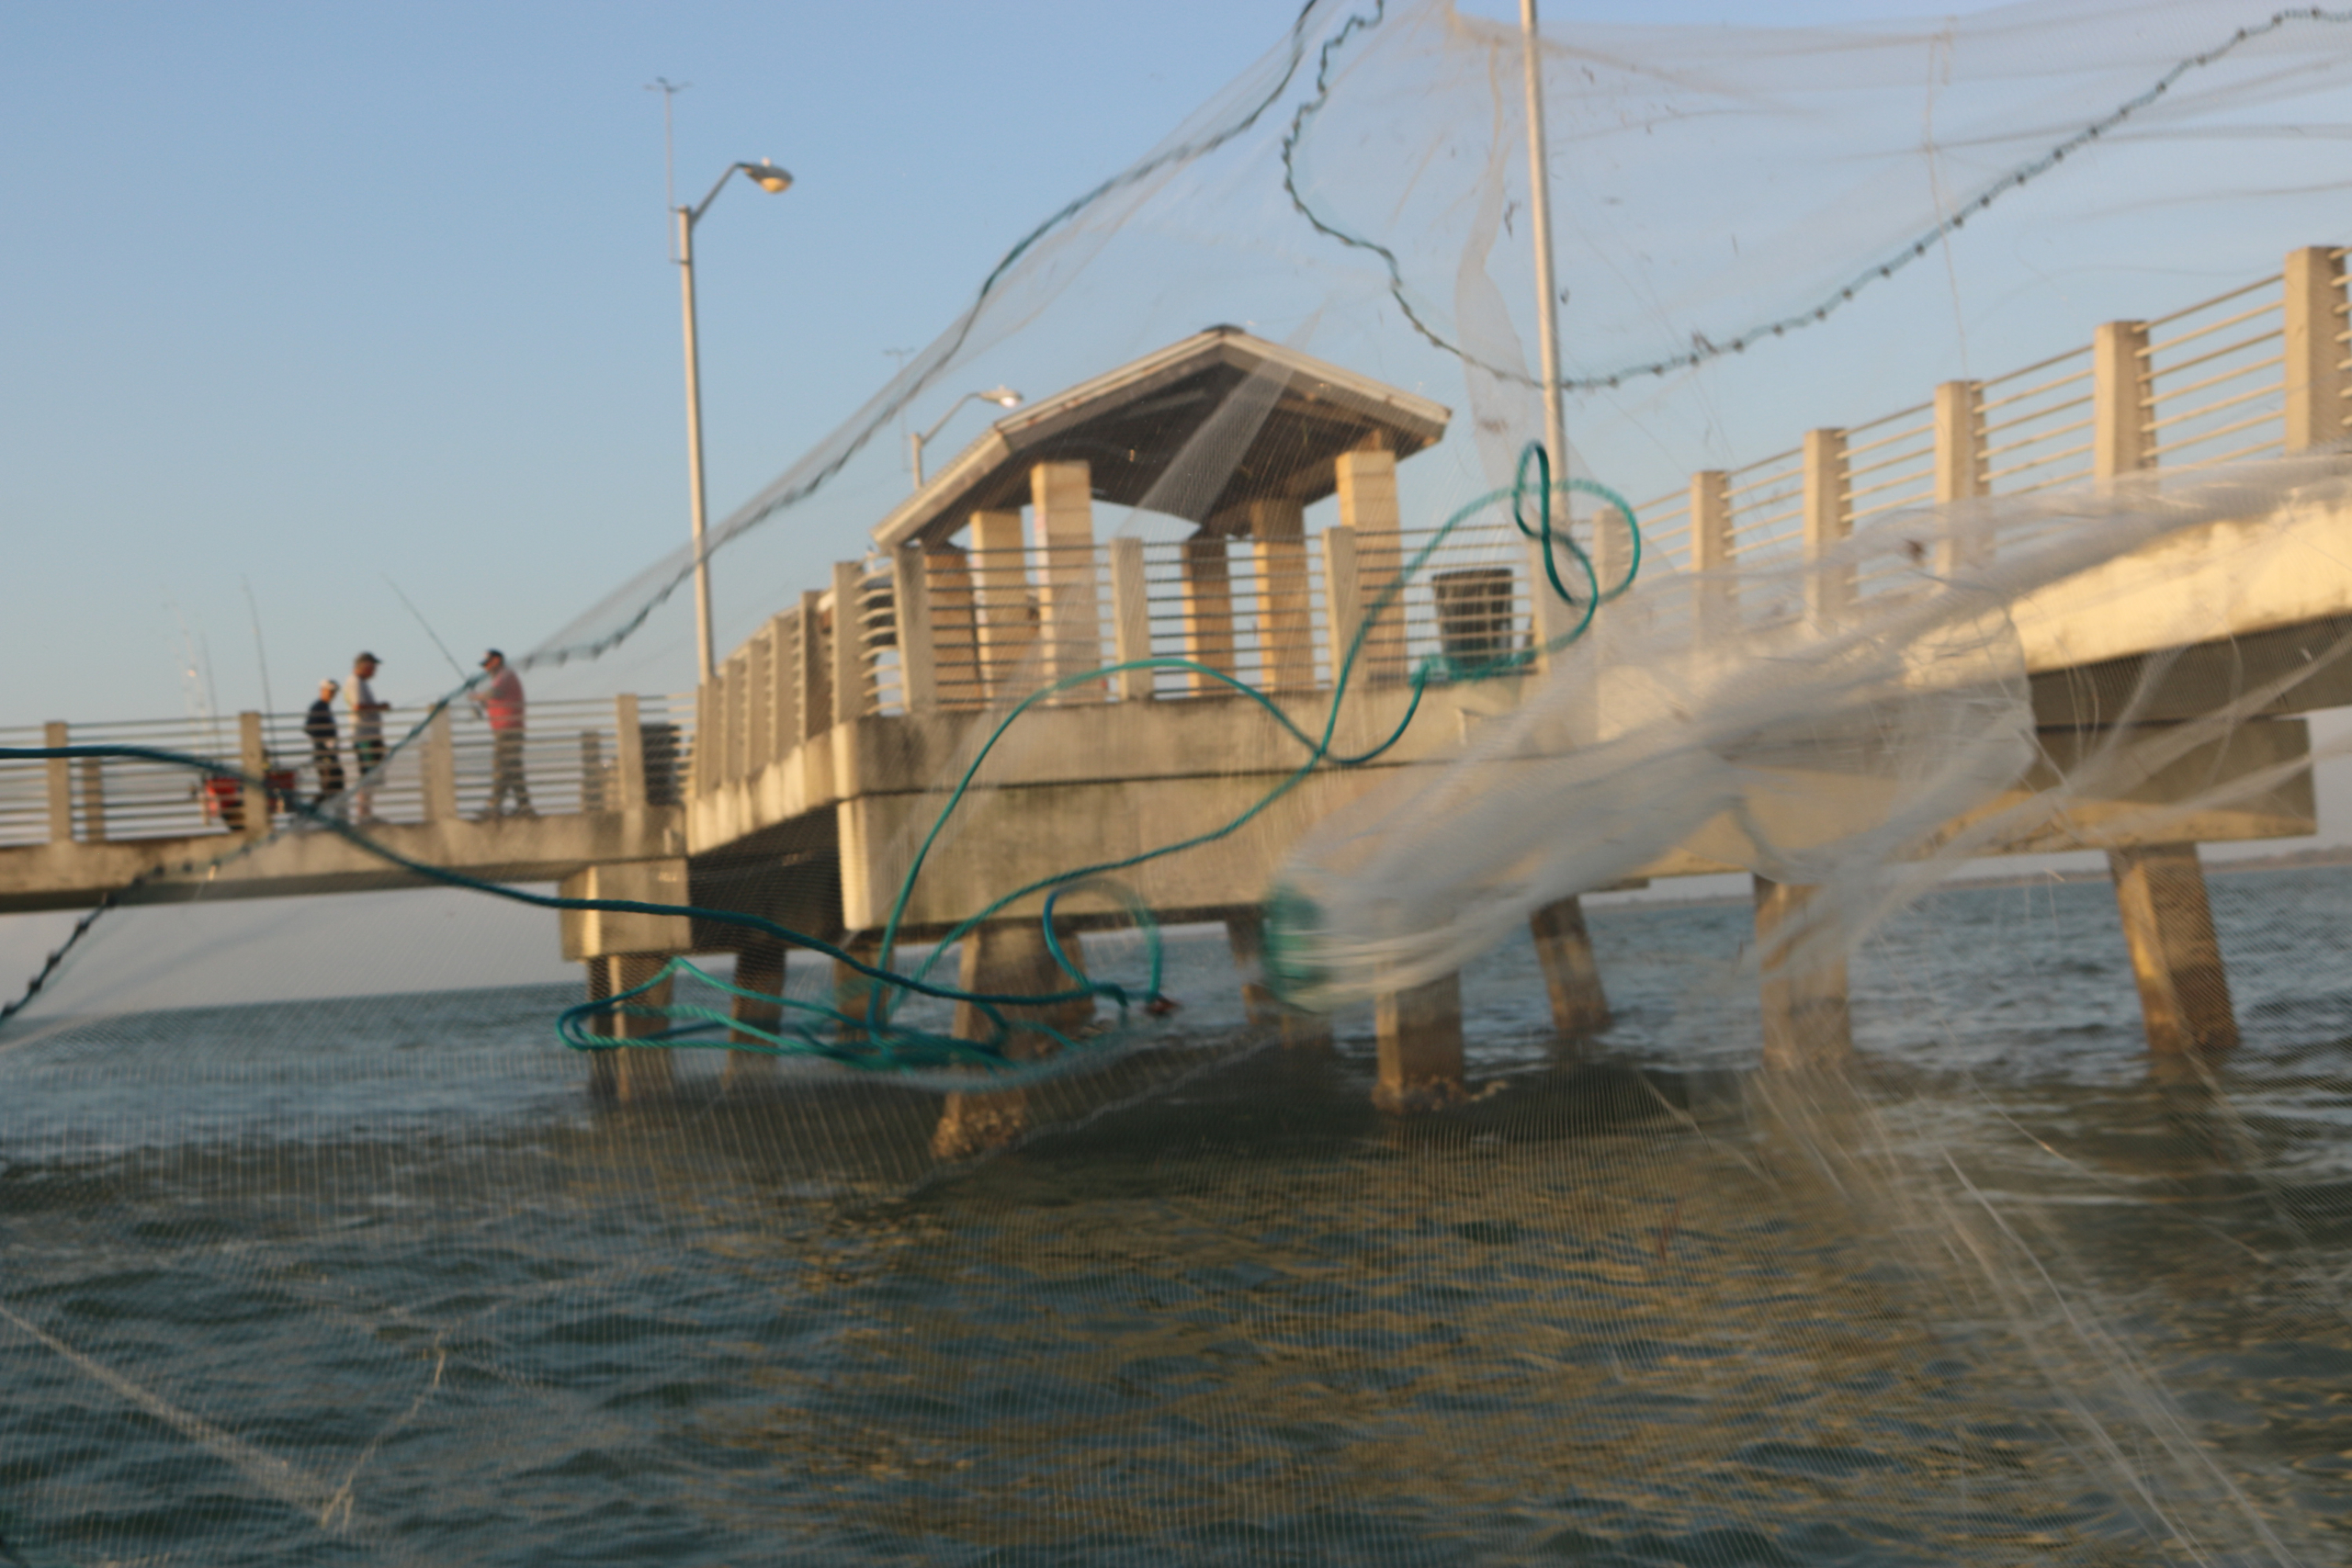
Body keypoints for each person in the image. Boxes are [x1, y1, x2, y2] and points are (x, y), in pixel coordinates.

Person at [472, 649, 533, 819]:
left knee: (503, 768)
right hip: (506, 730)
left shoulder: (505, 675)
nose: (485, 668)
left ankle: (495, 806)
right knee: (513, 770)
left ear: (497, 660)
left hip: (509, 730)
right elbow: (494, 697)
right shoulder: (500, 678)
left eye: (487, 664)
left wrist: (475, 697)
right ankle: (524, 806)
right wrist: (484, 701)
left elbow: (494, 693)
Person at [349, 651, 389, 822]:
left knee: (373, 775)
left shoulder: (361, 683)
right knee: (367, 775)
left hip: (370, 736)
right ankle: (363, 813)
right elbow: (358, 706)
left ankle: (366, 811)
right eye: (373, 667)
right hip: (365, 737)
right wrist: (379, 707)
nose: (375, 671)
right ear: (365, 666)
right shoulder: (355, 682)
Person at [305, 679, 345, 806]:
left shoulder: (325, 707)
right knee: (329, 786)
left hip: (330, 754)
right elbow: (310, 728)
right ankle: (309, 814)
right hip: (323, 755)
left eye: (334, 691)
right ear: (322, 690)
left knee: (336, 784)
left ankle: (333, 814)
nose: (333, 694)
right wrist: (325, 741)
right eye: (330, 691)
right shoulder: (318, 707)